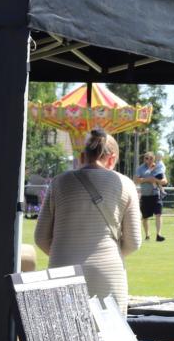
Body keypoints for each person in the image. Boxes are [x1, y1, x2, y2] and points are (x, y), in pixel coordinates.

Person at [35, 130, 142, 315]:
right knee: (109, 332)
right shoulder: (125, 184)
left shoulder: (58, 182)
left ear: (82, 156)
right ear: (112, 158)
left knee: (64, 331)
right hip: (108, 271)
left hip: (61, 269)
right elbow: (134, 242)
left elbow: (40, 238)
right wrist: (109, 253)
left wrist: (67, 255)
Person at [134, 152, 168, 242]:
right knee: (145, 217)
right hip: (145, 195)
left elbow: (165, 181)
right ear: (144, 159)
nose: (148, 160)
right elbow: (136, 180)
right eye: (146, 158)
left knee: (158, 214)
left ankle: (158, 234)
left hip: (156, 194)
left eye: (150, 158)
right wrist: (148, 179)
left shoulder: (158, 167)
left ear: (153, 159)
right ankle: (147, 235)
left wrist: (155, 180)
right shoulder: (140, 168)